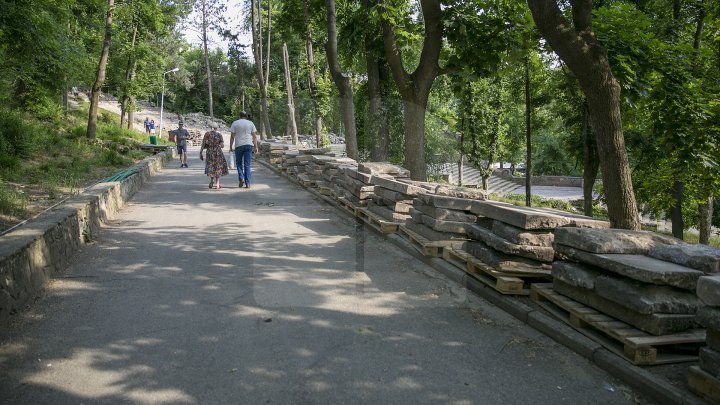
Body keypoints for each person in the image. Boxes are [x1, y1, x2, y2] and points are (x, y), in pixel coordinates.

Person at [229, 111, 258, 188]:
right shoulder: (250, 123)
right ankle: (248, 183)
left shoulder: (235, 123)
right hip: (248, 145)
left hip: (239, 145)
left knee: (238, 163)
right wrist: (256, 147)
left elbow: (232, 136)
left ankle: (241, 178)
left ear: (239, 116)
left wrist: (230, 147)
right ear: (246, 116)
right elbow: (254, 136)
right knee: (247, 165)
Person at [200, 124, 229, 189]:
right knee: (217, 166)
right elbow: (222, 145)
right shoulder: (219, 135)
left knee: (211, 166)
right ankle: (218, 183)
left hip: (210, 152)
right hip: (217, 152)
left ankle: (211, 180)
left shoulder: (207, 134)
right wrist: (219, 145)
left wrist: (201, 152)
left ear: (210, 127)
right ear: (216, 128)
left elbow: (203, 143)